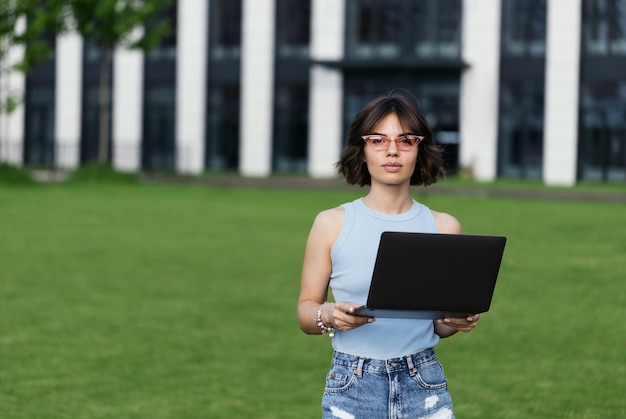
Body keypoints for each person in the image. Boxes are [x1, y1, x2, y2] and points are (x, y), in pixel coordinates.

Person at [297, 91, 480, 419]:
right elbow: (305, 312)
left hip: (423, 382)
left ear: (419, 150)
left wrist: (457, 321)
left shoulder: (445, 227)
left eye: (406, 139)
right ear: (362, 150)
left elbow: (438, 326)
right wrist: (328, 315)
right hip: (352, 385)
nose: (392, 150)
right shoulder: (331, 223)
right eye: (378, 140)